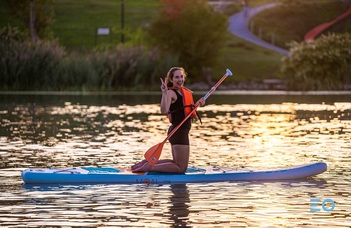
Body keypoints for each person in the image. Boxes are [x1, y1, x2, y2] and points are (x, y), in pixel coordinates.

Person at [131, 67, 205, 173]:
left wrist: (200, 103)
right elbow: (164, 110)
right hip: (179, 132)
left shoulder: (183, 93)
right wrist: (164, 93)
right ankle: (149, 167)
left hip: (177, 132)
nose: (180, 79)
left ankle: (145, 163)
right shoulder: (171, 93)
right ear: (171, 79)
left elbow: (187, 112)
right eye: (176, 77)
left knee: (175, 162)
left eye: (181, 76)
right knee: (181, 168)